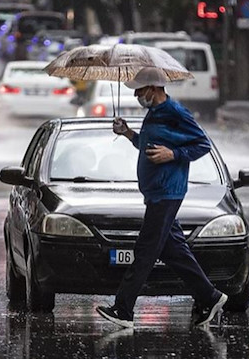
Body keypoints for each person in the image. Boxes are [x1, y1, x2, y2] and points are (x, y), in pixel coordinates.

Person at [96, 67, 228, 328]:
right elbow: (147, 146)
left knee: (145, 250)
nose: (136, 96)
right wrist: (128, 134)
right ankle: (209, 297)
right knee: (174, 250)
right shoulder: (153, 113)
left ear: (154, 88)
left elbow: (202, 144)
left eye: (139, 90)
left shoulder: (175, 112)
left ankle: (123, 309)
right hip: (156, 191)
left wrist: (173, 155)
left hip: (168, 191)